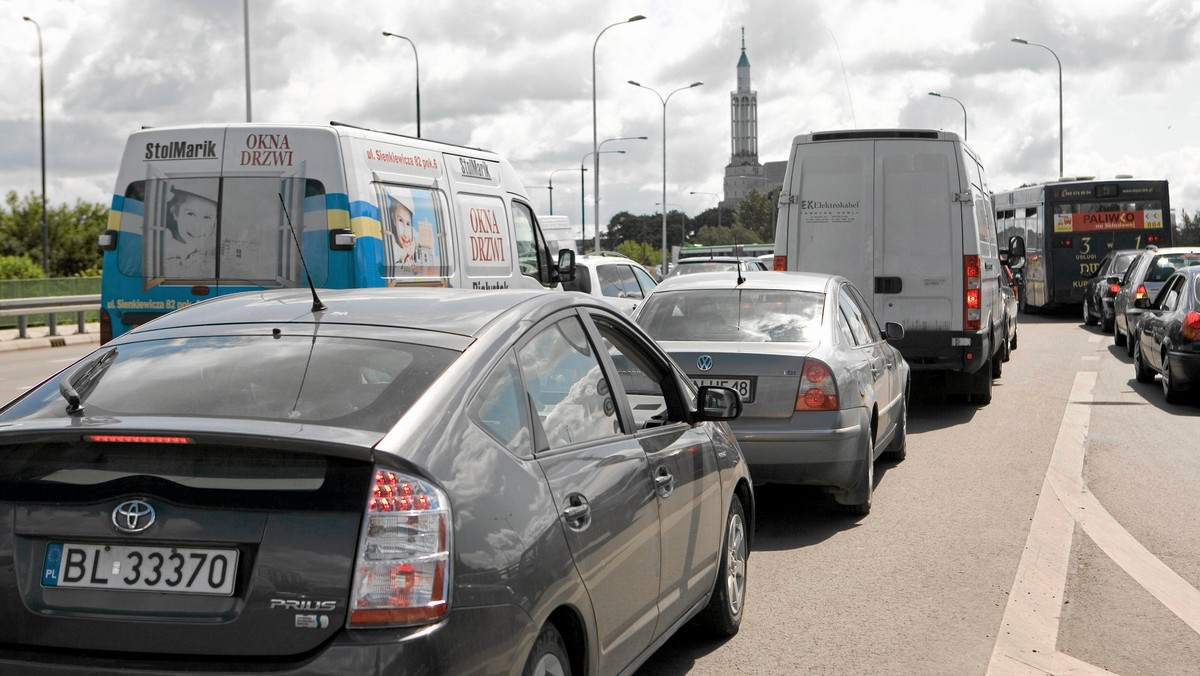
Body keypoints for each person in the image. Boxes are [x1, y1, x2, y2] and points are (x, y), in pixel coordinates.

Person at [164, 185, 217, 276]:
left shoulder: (209, 256)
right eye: (190, 214)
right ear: (176, 214)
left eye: (207, 217)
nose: (198, 227)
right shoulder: (165, 254)